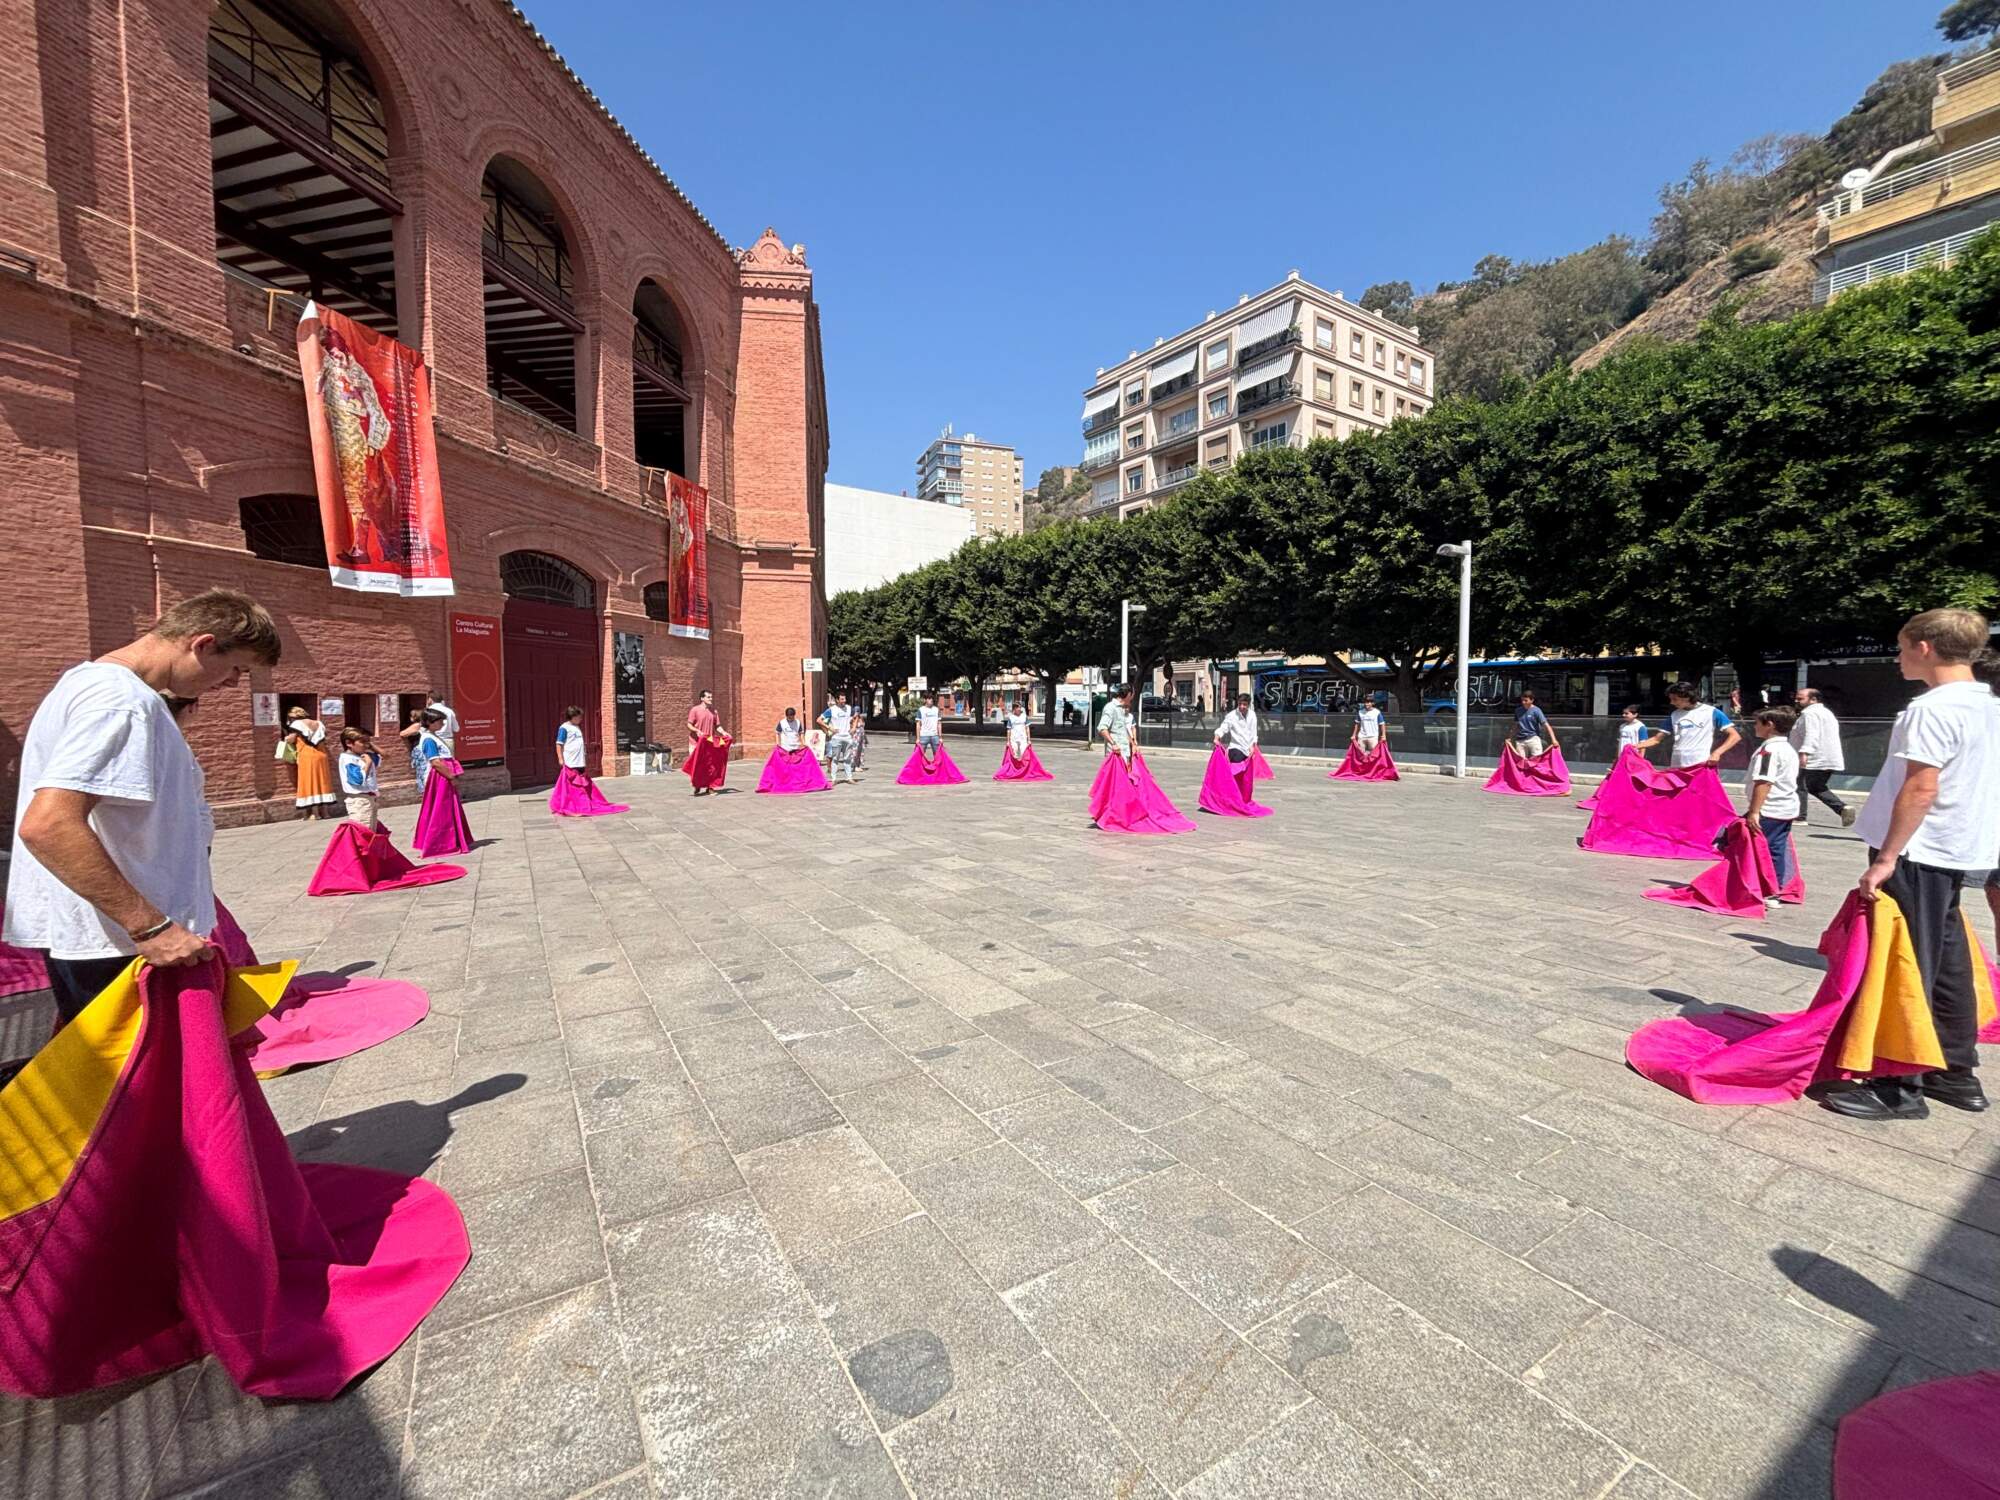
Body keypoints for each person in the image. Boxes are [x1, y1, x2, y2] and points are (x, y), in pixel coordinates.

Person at [4, 589, 281, 1030]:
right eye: (235, 669)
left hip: (113, 939)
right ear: (203, 644)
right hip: (121, 948)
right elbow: (49, 823)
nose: (231, 684)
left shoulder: (89, 683)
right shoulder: (122, 702)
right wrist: (151, 928)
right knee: (140, 1089)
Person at [1828, 610, 2000, 1121]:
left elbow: (1921, 786)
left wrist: (1885, 857)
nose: (1898, 657)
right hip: (1956, 847)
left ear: (1925, 647)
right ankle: (1954, 1071)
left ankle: (1899, 1084)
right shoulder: (1988, 705)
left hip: (1917, 850)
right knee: (1945, 961)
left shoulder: (1930, 709)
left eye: (1902, 647)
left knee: (1908, 962)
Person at [1742, 707, 1802, 907]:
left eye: (1758, 722)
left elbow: (1764, 782)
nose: (1755, 726)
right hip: (1785, 806)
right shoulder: (1788, 749)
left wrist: (1754, 811)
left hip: (1770, 808)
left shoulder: (1769, 751)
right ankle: (1772, 886)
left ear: (1770, 725)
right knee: (1776, 847)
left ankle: (1770, 890)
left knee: (1765, 849)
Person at [1790, 686, 1855, 828]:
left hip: (1813, 758)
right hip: (1827, 757)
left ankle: (1800, 817)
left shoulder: (1809, 714)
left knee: (1799, 785)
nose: (1796, 701)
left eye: (1800, 698)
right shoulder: (1826, 713)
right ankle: (1842, 808)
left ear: (1813, 699)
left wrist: (1805, 752)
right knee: (1816, 787)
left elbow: (1811, 734)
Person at [1639, 681, 1741, 769]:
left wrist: (1717, 753)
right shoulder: (1675, 715)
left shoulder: (1712, 712)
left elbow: (1735, 736)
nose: (1671, 702)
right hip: (1677, 764)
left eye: (1674, 699)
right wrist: (1634, 746)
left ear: (1687, 697)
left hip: (1700, 763)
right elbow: (1656, 739)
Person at [284, 705, 337, 818]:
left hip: (306, 756)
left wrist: (286, 737)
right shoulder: (319, 723)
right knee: (322, 782)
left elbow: (291, 739)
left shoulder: (296, 724)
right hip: (321, 755)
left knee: (310, 783)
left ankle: (315, 813)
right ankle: (325, 812)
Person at [684, 688, 729, 795]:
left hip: (709, 743)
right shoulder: (695, 710)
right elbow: (689, 724)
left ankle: (710, 787)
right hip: (695, 743)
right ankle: (697, 784)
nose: (711, 699)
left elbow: (717, 726)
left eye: (711, 697)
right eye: (708, 697)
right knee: (697, 766)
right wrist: (697, 731)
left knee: (710, 766)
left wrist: (724, 733)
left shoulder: (714, 711)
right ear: (702, 698)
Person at [337, 726, 382, 831]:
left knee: (371, 831)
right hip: (359, 800)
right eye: (362, 742)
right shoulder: (347, 759)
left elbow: (385, 755)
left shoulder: (363, 756)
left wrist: (371, 746)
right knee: (363, 831)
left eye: (368, 742)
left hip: (370, 798)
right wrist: (368, 764)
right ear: (349, 743)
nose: (366, 746)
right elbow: (357, 780)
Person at [820, 692, 856, 785]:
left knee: (847, 758)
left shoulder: (849, 708)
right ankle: (834, 779)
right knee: (835, 758)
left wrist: (853, 728)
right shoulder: (831, 710)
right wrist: (829, 728)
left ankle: (849, 778)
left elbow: (856, 717)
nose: (844, 701)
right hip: (836, 737)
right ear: (837, 700)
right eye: (842, 699)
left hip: (847, 737)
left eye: (844, 699)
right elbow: (819, 720)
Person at [1214, 693, 1259, 766]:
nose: (1241, 706)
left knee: (1245, 775)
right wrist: (1216, 738)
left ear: (1249, 705)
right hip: (1236, 748)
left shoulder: (1252, 715)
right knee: (1236, 772)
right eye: (1240, 704)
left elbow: (1254, 733)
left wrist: (1253, 746)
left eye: (1244, 704)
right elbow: (1223, 727)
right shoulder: (1232, 715)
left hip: (1248, 750)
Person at [1511, 690, 1558, 759]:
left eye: (1526, 700)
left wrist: (1554, 740)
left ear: (1532, 700)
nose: (1523, 702)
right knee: (1520, 762)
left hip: (1533, 739)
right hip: (1520, 740)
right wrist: (1510, 738)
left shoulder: (1536, 711)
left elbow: (1546, 725)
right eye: (1522, 700)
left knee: (1537, 760)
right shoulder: (1518, 711)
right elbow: (1515, 726)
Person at [914, 691, 943, 768]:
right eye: (929, 698)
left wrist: (940, 737)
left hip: (935, 735)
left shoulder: (937, 710)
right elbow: (918, 724)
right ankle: (919, 772)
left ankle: (937, 772)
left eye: (932, 699)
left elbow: (939, 723)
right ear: (925, 700)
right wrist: (917, 738)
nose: (931, 700)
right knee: (919, 755)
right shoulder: (921, 710)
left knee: (937, 756)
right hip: (924, 736)